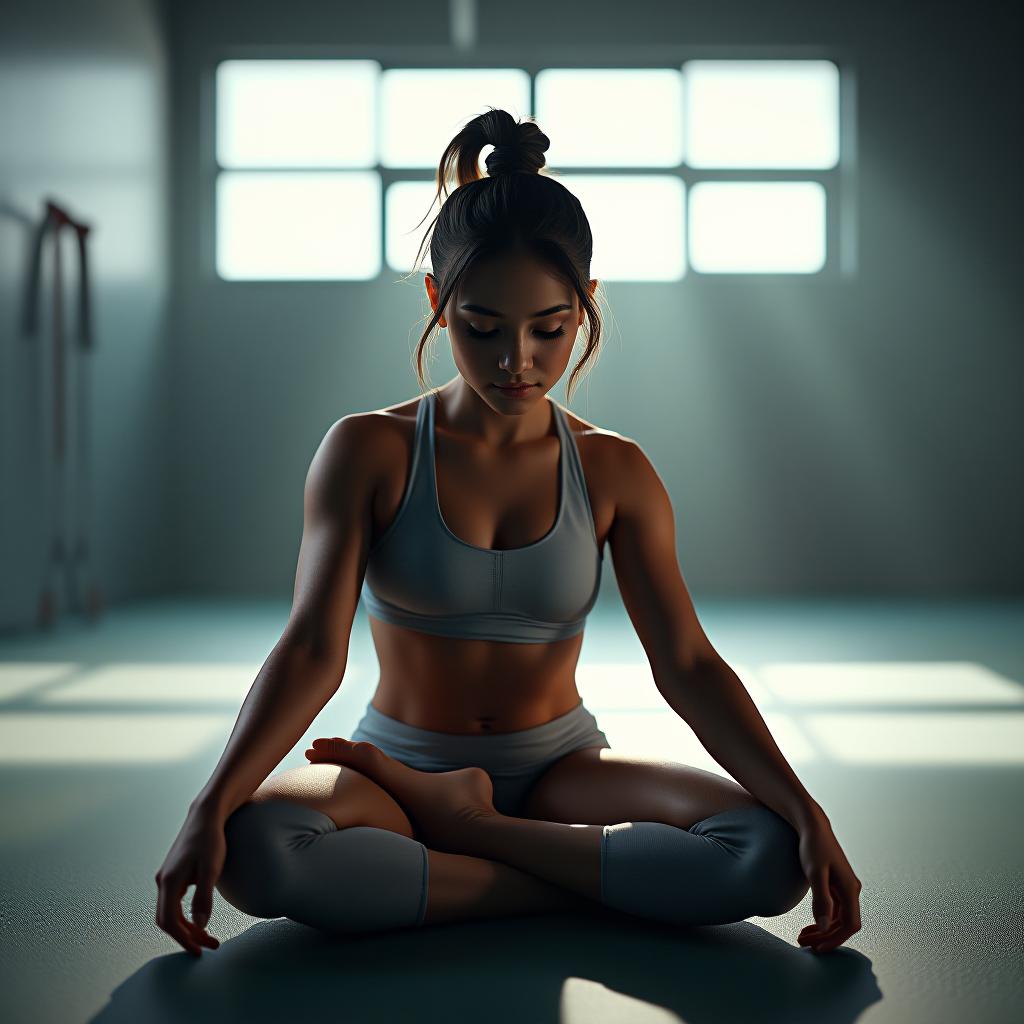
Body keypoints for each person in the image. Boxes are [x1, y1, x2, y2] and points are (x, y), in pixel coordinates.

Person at [155, 107, 862, 956]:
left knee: (772, 856)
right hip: (398, 776)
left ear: (586, 305)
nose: (515, 361)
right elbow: (312, 649)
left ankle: (477, 841)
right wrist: (210, 803)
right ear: (436, 302)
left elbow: (686, 661)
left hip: (564, 774)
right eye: (481, 329)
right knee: (258, 852)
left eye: (549, 330)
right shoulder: (368, 450)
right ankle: (572, 880)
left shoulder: (614, 470)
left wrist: (805, 808)